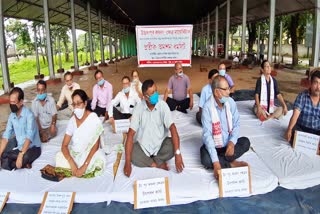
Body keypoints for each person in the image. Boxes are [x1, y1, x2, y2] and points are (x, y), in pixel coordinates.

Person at [123, 79, 184, 177]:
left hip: (160, 146)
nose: (156, 94)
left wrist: (177, 154)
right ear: (145, 97)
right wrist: (127, 163)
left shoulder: (163, 105)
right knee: (132, 153)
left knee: (174, 144)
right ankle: (155, 163)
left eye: (156, 90)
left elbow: (172, 128)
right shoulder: (138, 108)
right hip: (143, 147)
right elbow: (130, 134)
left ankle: (156, 159)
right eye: (152, 93)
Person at [201, 76, 250, 180]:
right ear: (216, 92)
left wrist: (232, 143)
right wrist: (215, 163)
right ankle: (231, 163)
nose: (229, 92)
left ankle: (222, 161)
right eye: (226, 89)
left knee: (246, 142)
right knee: (205, 158)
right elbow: (207, 136)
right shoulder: (207, 108)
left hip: (228, 146)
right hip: (215, 147)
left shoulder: (230, 102)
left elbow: (236, 124)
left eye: (229, 88)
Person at [55, 89, 107, 178]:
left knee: (99, 160)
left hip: (89, 153)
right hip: (75, 153)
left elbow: (96, 145)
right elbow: (64, 145)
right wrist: (72, 163)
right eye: (74, 104)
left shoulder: (93, 118)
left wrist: (85, 165)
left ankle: (83, 167)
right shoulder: (72, 121)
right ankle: (76, 167)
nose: (76, 107)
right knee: (59, 157)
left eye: (79, 103)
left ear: (85, 103)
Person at [0, 87, 41, 170]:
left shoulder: (29, 115)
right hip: (19, 148)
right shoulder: (12, 116)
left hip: (33, 148)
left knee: (25, 157)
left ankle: (20, 162)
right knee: (3, 155)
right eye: (10, 102)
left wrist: (21, 154)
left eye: (14, 102)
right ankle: (23, 164)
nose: (11, 105)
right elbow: (5, 137)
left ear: (21, 102)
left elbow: (29, 138)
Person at [285, 70, 320, 145]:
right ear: (310, 83)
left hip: (317, 131)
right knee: (294, 131)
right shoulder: (302, 96)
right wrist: (289, 129)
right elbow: (295, 116)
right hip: (302, 129)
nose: (318, 87)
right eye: (315, 83)